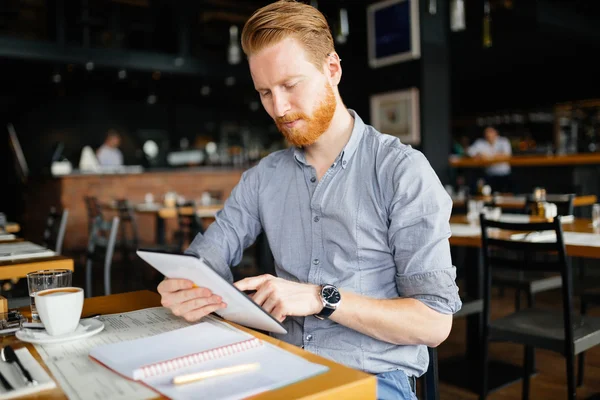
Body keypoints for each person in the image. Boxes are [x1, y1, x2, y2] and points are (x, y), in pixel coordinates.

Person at [158, 1, 461, 398]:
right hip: (280, 366)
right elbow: (208, 256)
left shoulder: (400, 170)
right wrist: (182, 286)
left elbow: (435, 323)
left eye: (290, 85)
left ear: (331, 69)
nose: (278, 109)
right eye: (265, 92)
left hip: (373, 381)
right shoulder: (264, 177)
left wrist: (321, 298)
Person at [467, 126, 512, 193]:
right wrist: (479, 155)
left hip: (504, 174)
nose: (489, 135)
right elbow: (469, 151)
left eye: (491, 132)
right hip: (489, 175)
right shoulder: (480, 142)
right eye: (487, 133)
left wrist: (489, 156)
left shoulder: (503, 141)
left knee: (505, 194)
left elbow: (507, 155)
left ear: (496, 133)